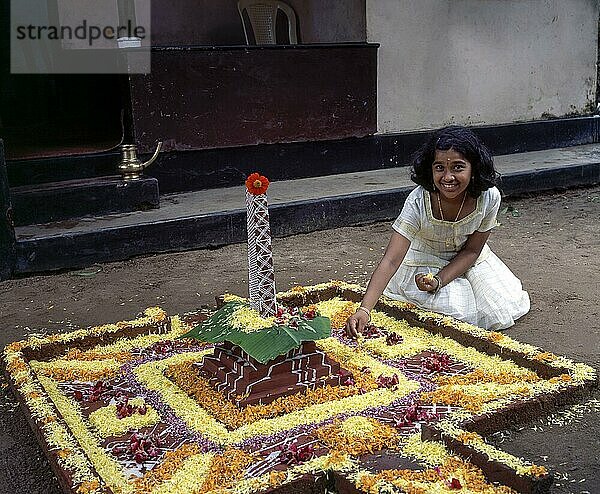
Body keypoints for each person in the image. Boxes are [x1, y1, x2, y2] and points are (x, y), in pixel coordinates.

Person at [346, 125, 530, 337]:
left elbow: (472, 251)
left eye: (458, 167)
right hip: (423, 260)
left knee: (493, 309)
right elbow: (391, 260)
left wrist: (439, 280)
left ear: (474, 169)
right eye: (439, 167)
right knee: (447, 315)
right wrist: (364, 310)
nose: (448, 177)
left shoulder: (489, 197)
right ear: (430, 169)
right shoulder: (418, 201)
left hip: (469, 260)